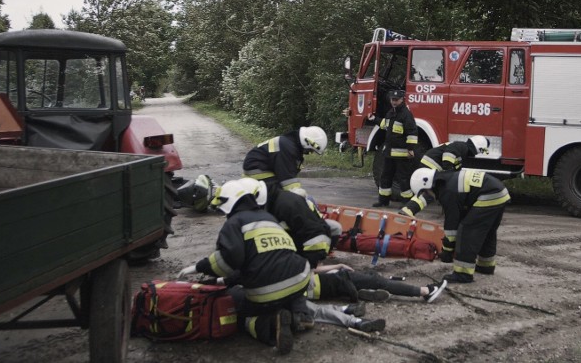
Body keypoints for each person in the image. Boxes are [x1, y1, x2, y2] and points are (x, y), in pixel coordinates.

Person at [176, 178, 314, 354]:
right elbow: (257, 264)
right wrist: (221, 280)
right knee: (285, 288)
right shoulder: (269, 218)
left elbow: (228, 261)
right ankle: (301, 315)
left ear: (229, 203)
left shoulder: (234, 223)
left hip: (267, 291)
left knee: (235, 305)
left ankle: (270, 324)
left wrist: (199, 267)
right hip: (301, 278)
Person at [409, 167, 510, 283]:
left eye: (425, 192)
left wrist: (447, 251)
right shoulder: (448, 179)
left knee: (468, 230)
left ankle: (463, 273)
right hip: (499, 192)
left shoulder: (447, 192)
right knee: (486, 231)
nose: (427, 195)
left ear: (428, 185)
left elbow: (452, 225)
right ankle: (486, 266)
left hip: (489, 194)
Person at [400, 136, 491, 216]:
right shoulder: (462, 146)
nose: (478, 154)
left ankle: (409, 210)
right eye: (481, 151)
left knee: (433, 192)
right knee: (432, 191)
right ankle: (409, 209)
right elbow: (449, 155)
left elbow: (455, 170)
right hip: (432, 165)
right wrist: (448, 172)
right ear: (478, 147)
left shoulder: (463, 150)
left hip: (432, 166)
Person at [242, 126, 328, 198]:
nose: (310, 153)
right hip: (259, 175)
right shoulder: (288, 148)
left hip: (259, 172)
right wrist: (299, 197)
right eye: (310, 150)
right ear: (308, 143)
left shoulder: (289, 143)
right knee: (283, 199)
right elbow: (287, 179)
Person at [311, 263, 447, 303]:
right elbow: (312, 269)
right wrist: (339, 267)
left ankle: (363, 293)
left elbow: (312, 269)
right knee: (377, 280)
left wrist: (338, 266)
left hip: (328, 285)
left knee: (372, 277)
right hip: (335, 281)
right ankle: (425, 292)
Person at [374, 89, 418, 207]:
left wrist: (410, 148)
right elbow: (384, 124)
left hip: (401, 154)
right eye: (392, 100)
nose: (394, 102)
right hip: (389, 153)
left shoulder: (406, 114)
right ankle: (383, 201)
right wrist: (374, 119)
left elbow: (412, 132)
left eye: (396, 100)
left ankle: (407, 203)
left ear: (401, 99)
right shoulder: (390, 113)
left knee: (403, 179)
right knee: (385, 177)